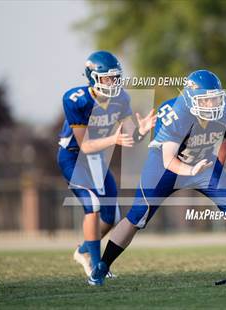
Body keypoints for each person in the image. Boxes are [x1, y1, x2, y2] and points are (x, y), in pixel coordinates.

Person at [88, 69, 226, 286]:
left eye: (215, 97)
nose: (212, 104)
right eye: (205, 100)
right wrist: (190, 171)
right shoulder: (177, 113)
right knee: (139, 214)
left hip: (202, 161)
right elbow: (168, 159)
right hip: (165, 166)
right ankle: (102, 266)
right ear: (191, 99)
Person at [57, 50, 156, 277]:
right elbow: (85, 146)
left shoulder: (121, 99)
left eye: (116, 77)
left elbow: (130, 135)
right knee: (92, 204)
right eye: (108, 78)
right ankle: (94, 264)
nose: (113, 83)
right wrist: (114, 139)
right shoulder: (75, 99)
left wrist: (141, 130)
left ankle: (83, 251)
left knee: (111, 217)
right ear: (93, 77)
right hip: (73, 156)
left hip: (96, 159)